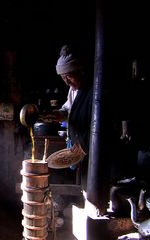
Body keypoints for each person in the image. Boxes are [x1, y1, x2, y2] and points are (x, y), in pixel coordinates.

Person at [44, 44, 93, 189]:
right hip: (78, 149)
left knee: (91, 185)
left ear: (81, 71)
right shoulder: (73, 90)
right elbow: (69, 108)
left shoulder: (92, 92)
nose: (66, 82)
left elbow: (97, 125)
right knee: (85, 184)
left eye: (69, 76)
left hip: (90, 150)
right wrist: (59, 114)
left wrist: (84, 143)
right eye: (63, 78)